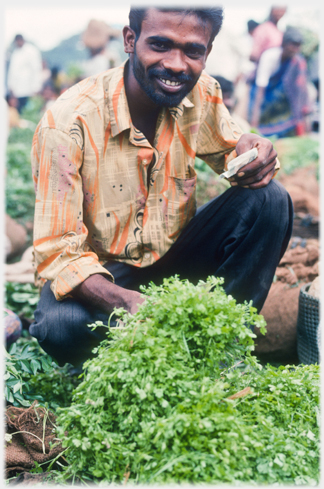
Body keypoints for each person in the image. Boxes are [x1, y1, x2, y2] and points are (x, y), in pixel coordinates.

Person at [29, 6, 293, 368]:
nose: (176, 64)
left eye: (192, 51)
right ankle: (140, 361)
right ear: (130, 40)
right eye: (160, 45)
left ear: (207, 53)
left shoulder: (201, 95)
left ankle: (221, 350)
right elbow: (58, 253)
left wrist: (256, 152)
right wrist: (124, 301)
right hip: (105, 275)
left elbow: (236, 152)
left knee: (270, 199)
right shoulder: (68, 121)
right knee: (62, 326)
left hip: (175, 259)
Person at [249, 27, 311, 138]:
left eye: (298, 46)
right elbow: (260, 89)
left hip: (279, 97)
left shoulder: (296, 62)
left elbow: (300, 88)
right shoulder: (269, 57)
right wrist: (254, 121)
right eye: (293, 45)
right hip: (265, 93)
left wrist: (304, 113)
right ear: (284, 44)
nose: (295, 49)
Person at [7, 34, 43, 113]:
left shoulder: (31, 50)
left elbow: (36, 69)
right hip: (17, 91)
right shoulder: (15, 52)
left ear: (22, 40)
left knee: (30, 111)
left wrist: (36, 87)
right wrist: (11, 86)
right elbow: (12, 71)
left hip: (29, 89)